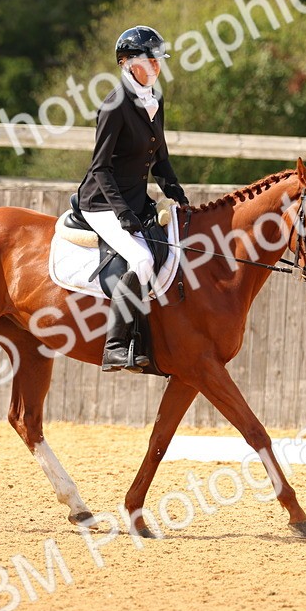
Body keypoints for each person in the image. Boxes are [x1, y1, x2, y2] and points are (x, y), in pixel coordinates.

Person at [77, 25, 191, 372]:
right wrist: (123, 213)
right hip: (101, 202)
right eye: (150, 59)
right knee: (140, 260)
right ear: (126, 63)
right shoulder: (115, 105)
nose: (157, 65)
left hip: (136, 198)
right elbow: (100, 168)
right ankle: (115, 347)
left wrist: (175, 190)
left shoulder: (155, 100)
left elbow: (160, 156)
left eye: (159, 59)